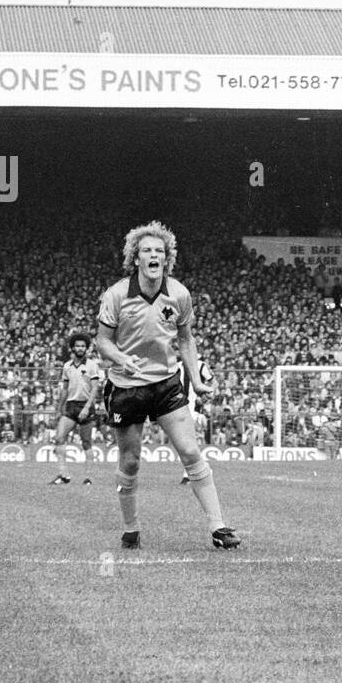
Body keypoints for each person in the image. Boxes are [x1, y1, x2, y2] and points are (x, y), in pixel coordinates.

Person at [94, 221, 241, 550]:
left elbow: (186, 340)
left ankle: (218, 527)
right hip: (126, 386)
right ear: (136, 258)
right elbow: (102, 341)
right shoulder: (117, 294)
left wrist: (197, 381)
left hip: (165, 384)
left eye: (159, 250)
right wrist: (120, 358)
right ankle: (131, 527)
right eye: (146, 250)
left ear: (167, 257)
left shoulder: (179, 294)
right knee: (130, 461)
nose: (153, 255)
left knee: (189, 450)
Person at [49, 331, 101, 486]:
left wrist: (87, 407)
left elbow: (95, 388)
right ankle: (64, 475)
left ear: (86, 348)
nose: (80, 348)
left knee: (86, 442)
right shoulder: (67, 366)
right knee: (59, 438)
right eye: (77, 346)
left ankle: (89, 478)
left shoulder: (92, 365)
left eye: (83, 346)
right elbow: (65, 389)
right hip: (71, 406)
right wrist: (59, 408)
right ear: (72, 348)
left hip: (86, 406)